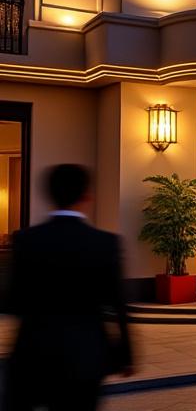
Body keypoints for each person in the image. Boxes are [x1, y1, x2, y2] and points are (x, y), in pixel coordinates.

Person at [4, 164, 133, 410]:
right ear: (87, 196)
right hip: (85, 354)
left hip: (33, 352)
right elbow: (119, 304)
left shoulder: (25, 240)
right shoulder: (105, 243)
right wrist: (126, 355)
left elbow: (12, 300)